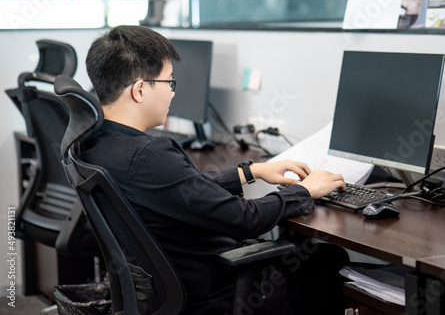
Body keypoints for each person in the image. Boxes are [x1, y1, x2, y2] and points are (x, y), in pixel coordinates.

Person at [83, 25, 349, 314]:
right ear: (139, 90)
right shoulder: (149, 155)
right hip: (218, 293)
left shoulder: (95, 143)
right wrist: (304, 191)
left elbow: (186, 188)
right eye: (169, 82)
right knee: (329, 260)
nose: (173, 94)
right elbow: (245, 219)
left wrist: (250, 172)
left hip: (164, 294)